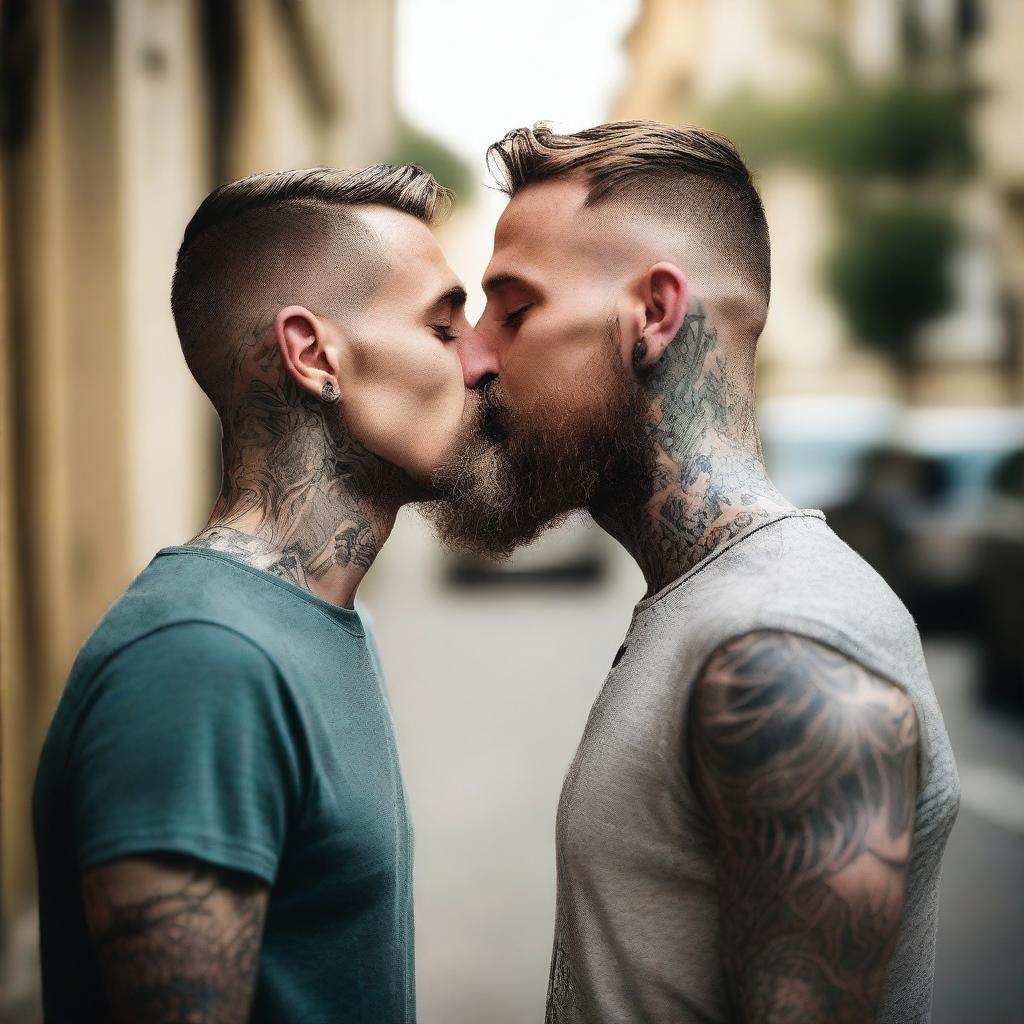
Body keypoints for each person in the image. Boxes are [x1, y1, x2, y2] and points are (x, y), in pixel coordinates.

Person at [438, 122, 962, 1024]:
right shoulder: (712, 604)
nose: (475, 356)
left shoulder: (783, 647)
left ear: (653, 314)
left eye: (515, 312)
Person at [33, 164, 483, 1024]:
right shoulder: (201, 660)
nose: (481, 358)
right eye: (442, 324)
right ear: (315, 355)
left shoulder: (304, 622)